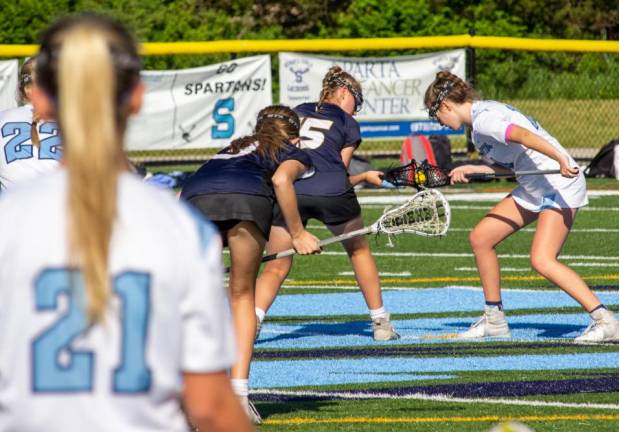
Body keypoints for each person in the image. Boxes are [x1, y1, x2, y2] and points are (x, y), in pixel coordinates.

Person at [0, 14, 252, 432]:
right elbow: (208, 406)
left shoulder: (10, 223)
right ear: (136, 97)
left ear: (40, 101)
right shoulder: (178, 227)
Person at [424, 71, 619, 343]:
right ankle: (494, 320)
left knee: (542, 259)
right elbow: (510, 164)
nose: (439, 122)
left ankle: (606, 321)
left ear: (446, 105)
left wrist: (560, 158)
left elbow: (523, 135)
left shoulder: (484, 119)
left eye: (435, 115)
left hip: (558, 182)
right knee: (481, 238)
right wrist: (474, 168)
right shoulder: (478, 128)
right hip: (536, 185)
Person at [180, 105, 321, 424]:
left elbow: (192, 189)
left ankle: (192, 393)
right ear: (296, 137)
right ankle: (239, 395)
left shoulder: (232, 146)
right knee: (242, 295)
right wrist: (298, 234)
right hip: (245, 200)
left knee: (200, 297)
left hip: (193, 202)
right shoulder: (290, 150)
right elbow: (282, 180)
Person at [254, 66, 400, 341]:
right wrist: (364, 177)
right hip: (331, 191)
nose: (356, 110)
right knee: (358, 252)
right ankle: (381, 322)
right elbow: (339, 172)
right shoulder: (347, 123)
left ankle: (253, 321)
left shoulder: (296, 110)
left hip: (290, 189)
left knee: (276, 264)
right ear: (344, 93)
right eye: (357, 102)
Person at [0, 57, 62, 190]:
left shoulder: (3, 118)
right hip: (60, 206)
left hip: (13, 207)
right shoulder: (73, 121)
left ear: (23, 90)